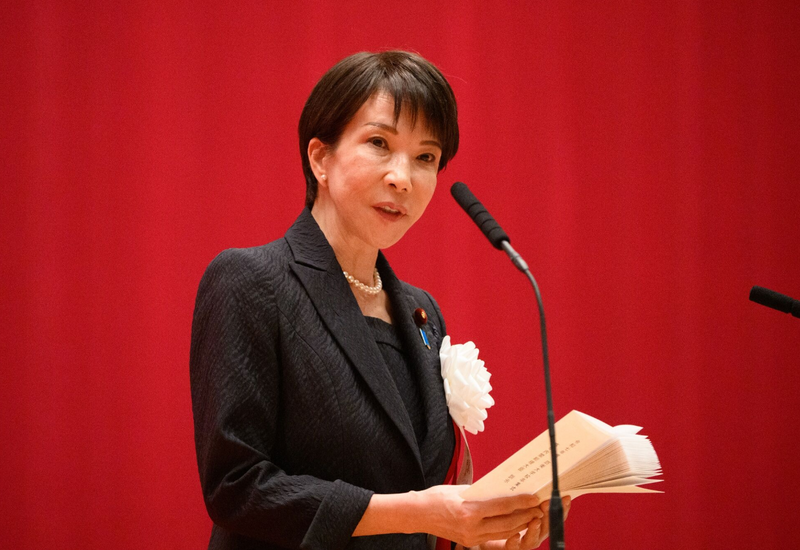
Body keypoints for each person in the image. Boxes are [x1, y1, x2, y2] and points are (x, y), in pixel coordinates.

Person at [190, 50, 569, 550]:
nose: (402, 177)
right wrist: (422, 512)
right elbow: (236, 488)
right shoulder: (252, 282)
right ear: (320, 159)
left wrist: (480, 538)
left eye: (425, 158)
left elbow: (417, 499)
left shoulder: (421, 313)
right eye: (379, 143)